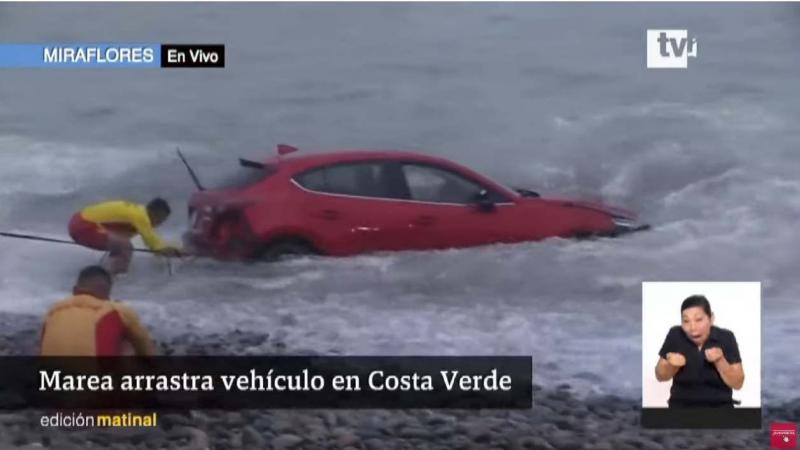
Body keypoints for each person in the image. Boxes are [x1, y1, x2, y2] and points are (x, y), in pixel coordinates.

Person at [40, 265, 157, 356]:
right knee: (127, 341)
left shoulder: (53, 311)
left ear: (75, 290)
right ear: (108, 293)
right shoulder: (117, 309)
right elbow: (147, 351)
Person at [654, 295, 745, 408]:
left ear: (711, 318)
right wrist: (672, 366)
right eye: (686, 321)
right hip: (680, 408)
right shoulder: (675, 334)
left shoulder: (726, 337)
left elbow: (738, 383)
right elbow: (660, 376)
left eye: (699, 320)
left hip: (720, 408)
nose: (692, 328)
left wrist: (720, 361)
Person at [68, 198, 183, 275]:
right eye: (160, 220)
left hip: (79, 222)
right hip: (83, 225)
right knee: (126, 247)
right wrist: (177, 252)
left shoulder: (137, 212)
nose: (158, 224)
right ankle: (110, 278)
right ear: (156, 213)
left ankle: (107, 270)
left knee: (122, 239)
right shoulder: (140, 216)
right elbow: (154, 245)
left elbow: (154, 242)